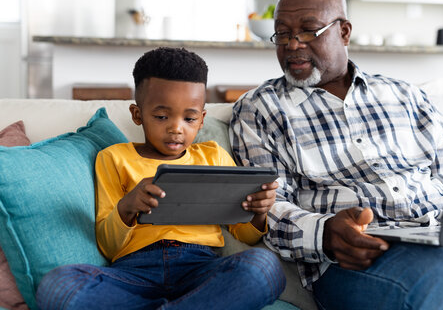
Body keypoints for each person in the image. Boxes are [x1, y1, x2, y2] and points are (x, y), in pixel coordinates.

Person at [230, 0, 443, 310]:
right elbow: (269, 207)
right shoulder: (259, 109)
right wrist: (324, 233)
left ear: (344, 32)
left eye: (308, 31)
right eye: (283, 34)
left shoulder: (404, 95)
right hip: (358, 259)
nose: (292, 45)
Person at [36, 47, 285, 309]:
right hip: (134, 273)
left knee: (264, 268)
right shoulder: (114, 157)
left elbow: (244, 234)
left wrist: (258, 212)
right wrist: (128, 205)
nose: (176, 128)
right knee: (59, 286)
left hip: (200, 270)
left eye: (189, 118)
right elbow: (108, 246)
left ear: (201, 120)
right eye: (161, 116)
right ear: (137, 114)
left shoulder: (213, 155)